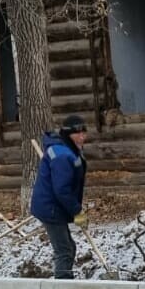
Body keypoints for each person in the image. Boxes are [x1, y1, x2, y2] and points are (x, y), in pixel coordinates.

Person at [30, 114, 89, 279]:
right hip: (51, 209)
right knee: (64, 250)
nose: (82, 137)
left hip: (55, 205)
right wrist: (77, 211)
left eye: (84, 132)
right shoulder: (63, 155)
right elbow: (62, 189)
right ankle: (63, 287)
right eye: (77, 133)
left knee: (69, 246)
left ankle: (66, 281)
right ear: (67, 134)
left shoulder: (66, 149)